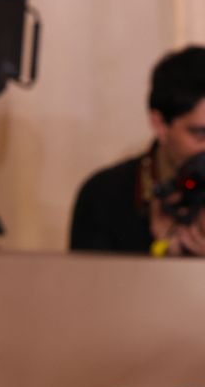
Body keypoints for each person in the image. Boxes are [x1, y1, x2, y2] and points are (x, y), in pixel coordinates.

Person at [70, 45, 205, 256]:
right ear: (160, 125)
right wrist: (159, 255)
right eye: (200, 134)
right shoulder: (105, 196)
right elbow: (89, 277)